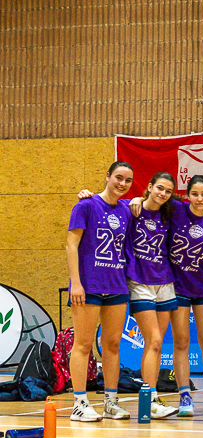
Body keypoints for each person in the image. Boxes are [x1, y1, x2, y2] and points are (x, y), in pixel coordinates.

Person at [66, 162, 135, 422]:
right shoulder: (86, 205)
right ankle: (80, 404)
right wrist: (76, 283)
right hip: (88, 285)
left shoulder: (127, 210)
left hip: (116, 285)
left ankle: (111, 402)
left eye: (128, 180)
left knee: (112, 345)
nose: (122, 184)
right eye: (118, 177)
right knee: (83, 344)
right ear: (107, 177)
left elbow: (148, 200)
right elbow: (71, 245)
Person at [124, 172, 181, 419]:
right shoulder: (132, 209)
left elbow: (199, 206)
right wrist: (135, 198)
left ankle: (153, 398)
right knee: (154, 340)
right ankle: (149, 399)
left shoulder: (170, 213)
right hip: (139, 282)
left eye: (168, 191)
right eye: (159, 188)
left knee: (157, 344)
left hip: (165, 282)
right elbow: (106, 203)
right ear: (149, 186)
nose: (163, 194)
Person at [165, 175, 203, 417]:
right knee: (181, 342)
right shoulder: (176, 210)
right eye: (195, 194)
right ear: (187, 195)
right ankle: (184, 395)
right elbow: (148, 198)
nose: (199, 199)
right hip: (177, 287)